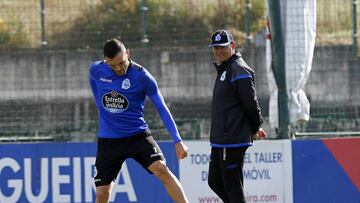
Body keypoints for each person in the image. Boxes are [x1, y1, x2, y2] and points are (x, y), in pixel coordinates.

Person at [89, 38, 189, 203]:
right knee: (102, 193)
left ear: (128, 53)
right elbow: (96, 91)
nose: (119, 68)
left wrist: (178, 140)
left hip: (137, 136)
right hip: (109, 141)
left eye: (122, 62)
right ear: (106, 61)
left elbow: (162, 108)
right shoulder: (96, 70)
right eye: (113, 66)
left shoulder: (142, 76)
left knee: (162, 169)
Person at [207, 29, 267, 203]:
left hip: (231, 140)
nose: (218, 51)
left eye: (222, 47)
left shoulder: (239, 69)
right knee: (214, 181)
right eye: (215, 48)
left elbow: (250, 103)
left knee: (233, 187)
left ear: (232, 46)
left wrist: (256, 127)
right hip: (220, 140)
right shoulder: (226, 69)